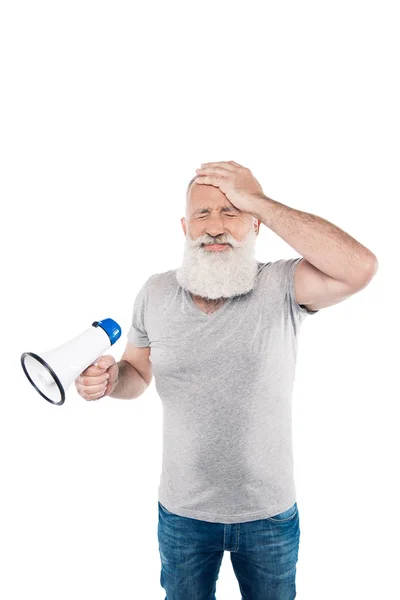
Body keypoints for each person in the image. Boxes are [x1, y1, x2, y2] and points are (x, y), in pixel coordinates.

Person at [75, 160, 378, 599]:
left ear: (255, 223)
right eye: (202, 214)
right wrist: (108, 381)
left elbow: (360, 268)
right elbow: (137, 373)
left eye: (231, 211)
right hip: (183, 514)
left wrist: (258, 199)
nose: (214, 226)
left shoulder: (282, 284)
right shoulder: (155, 293)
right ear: (184, 225)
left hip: (268, 514)